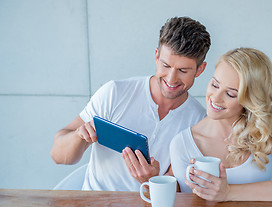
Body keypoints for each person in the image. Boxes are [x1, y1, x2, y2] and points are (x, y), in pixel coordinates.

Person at [51, 16, 211, 191]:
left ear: (199, 70)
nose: (171, 79)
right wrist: (79, 136)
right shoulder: (114, 93)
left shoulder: (200, 121)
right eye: (165, 65)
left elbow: (183, 191)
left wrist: (152, 180)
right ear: (156, 56)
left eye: (182, 70)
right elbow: (58, 156)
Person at [170, 48, 272, 201]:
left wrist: (229, 192)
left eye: (230, 94)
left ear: (250, 99)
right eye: (215, 85)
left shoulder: (269, 128)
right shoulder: (182, 144)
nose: (216, 98)